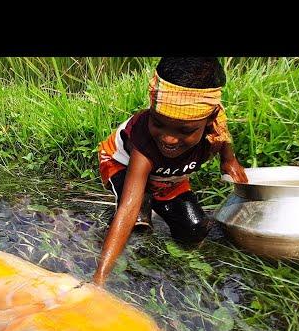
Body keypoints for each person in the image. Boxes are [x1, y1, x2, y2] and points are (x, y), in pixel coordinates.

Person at [93, 57, 248, 287]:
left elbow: (222, 134)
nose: (168, 138)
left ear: (208, 121)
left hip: (168, 178)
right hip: (122, 164)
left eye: (185, 130)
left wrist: (229, 161)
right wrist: (99, 280)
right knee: (137, 221)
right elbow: (129, 206)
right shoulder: (144, 142)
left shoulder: (215, 128)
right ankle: (119, 233)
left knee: (194, 230)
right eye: (158, 123)